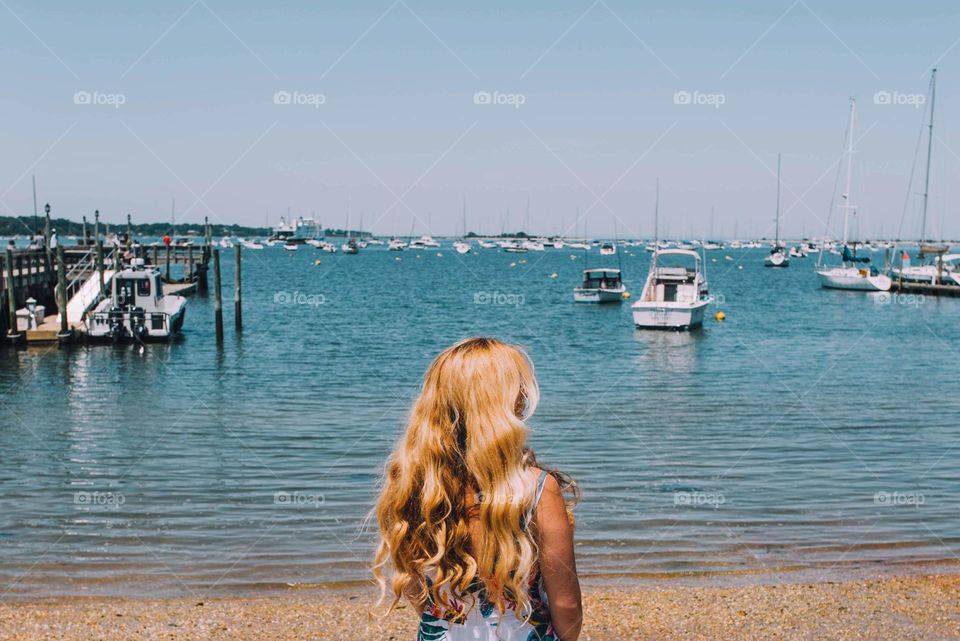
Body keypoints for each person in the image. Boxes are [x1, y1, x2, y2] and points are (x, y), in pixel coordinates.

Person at [373, 337, 582, 641]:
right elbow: (567, 605)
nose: (525, 393)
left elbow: (416, 588)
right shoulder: (537, 488)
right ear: (507, 402)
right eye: (519, 385)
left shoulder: (414, 482)